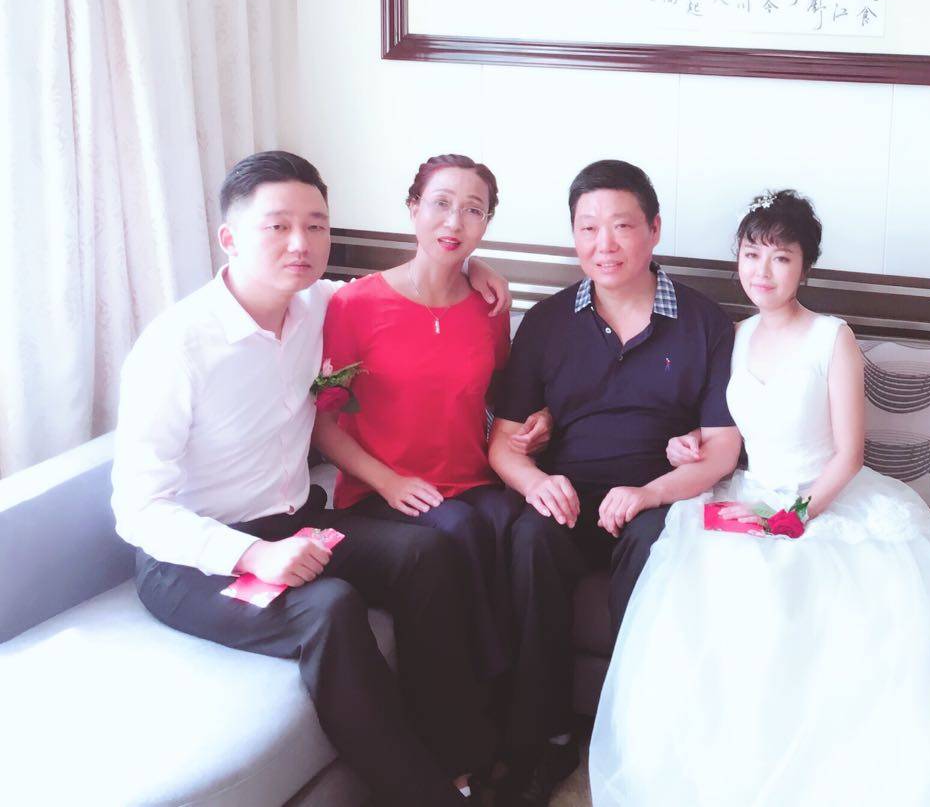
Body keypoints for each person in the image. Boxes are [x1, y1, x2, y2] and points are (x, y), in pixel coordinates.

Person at [588, 189, 930, 807]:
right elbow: (731, 435)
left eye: (781, 258)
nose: (762, 270)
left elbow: (849, 455)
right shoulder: (733, 336)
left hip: (828, 497)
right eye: (752, 254)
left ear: (804, 267)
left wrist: (799, 514)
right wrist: (690, 443)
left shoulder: (833, 338)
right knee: (707, 587)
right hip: (751, 493)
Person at [111, 150, 512, 806]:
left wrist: (474, 269)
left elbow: (408, 285)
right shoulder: (174, 346)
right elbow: (138, 510)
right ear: (230, 237)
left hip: (296, 521)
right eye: (277, 225)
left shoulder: (318, 305)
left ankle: (458, 758)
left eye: (316, 225)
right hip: (192, 562)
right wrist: (251, 554)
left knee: (427, 551)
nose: (300, 243)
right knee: (329, 608)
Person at [488, 159, 743, 807]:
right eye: (588, 227)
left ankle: (639, 734)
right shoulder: (548, 321)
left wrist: (652, 491)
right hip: (571, 492)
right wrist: (534, 482)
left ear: (654, 229)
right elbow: (503, 441)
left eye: (622, 225)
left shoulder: (704, 323)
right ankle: (541, 739)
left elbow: (721, 450)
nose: (604, 243)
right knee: (528, 539)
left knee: (654, 544)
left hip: (659, 496)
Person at [312, 154, 551, 683]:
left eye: (473, 210)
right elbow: (323, 424)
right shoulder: (354, 304)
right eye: (440, 204)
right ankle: (493, 681)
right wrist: (389, 481)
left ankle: (519, 690)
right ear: (413, 207)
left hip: (471, 480)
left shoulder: (489, 307)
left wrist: (538, 420)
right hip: (383, 491)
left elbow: (501, 399)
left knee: (520, 525)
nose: (454, 222)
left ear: (486, 223)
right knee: (459, 528)